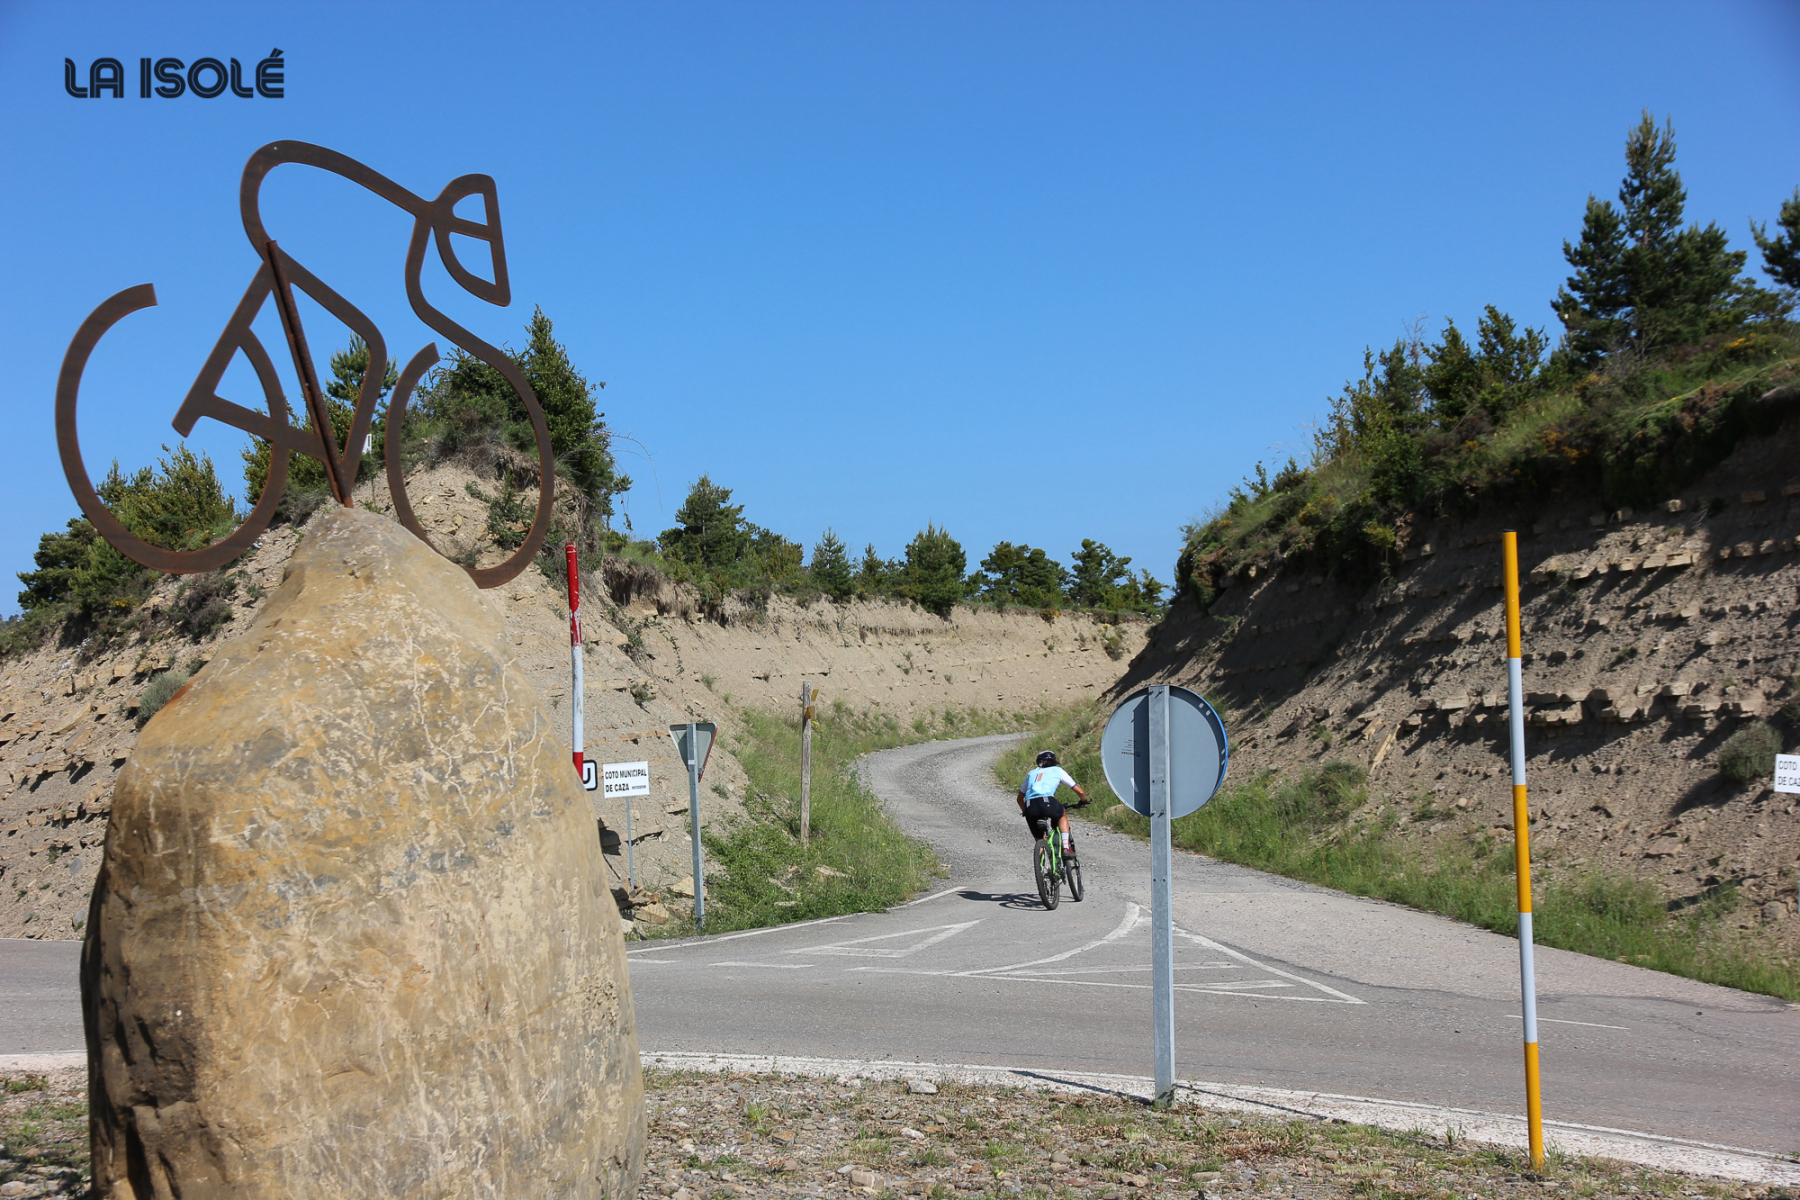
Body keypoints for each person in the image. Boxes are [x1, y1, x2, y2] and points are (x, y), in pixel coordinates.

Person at [1016, 750, 1088, 858]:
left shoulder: (1031, 773)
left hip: (1030, 804)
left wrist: (1025, 812)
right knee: (1062, 814)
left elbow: (1019, 798)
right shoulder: (1057, 770)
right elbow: (1080, 792)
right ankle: (1066, 847)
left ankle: (1039, 864)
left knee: (1039, 839)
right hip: (1047, 801)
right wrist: (1083, 800)